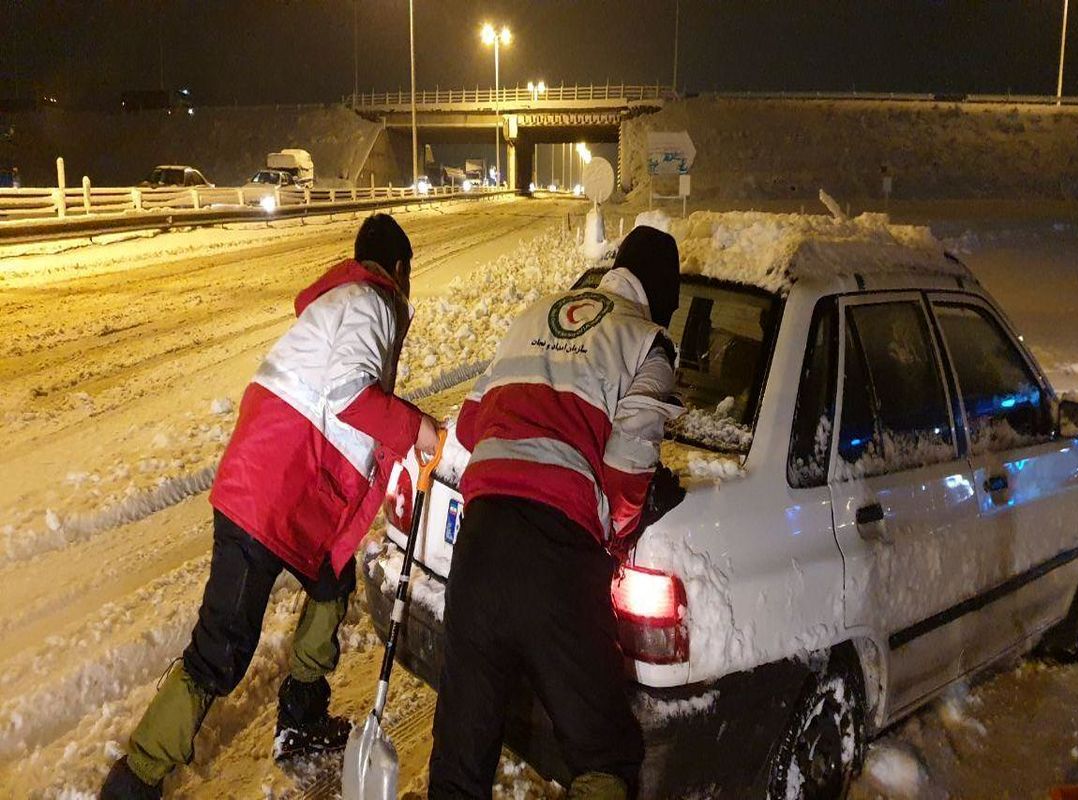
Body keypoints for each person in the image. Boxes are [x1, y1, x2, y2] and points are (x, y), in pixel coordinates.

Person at [101, 214, 440, 799]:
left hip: (291, 488)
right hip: (266, 495)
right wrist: (418, 428)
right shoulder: (372, 303)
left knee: (332, 584)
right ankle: (138, 776)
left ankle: (302, 718)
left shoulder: (341, 303)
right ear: (400, 269)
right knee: (222, 647)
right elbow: (351, 395)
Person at [429, 225, 686, 799]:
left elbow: (470, 426)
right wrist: (624, 527)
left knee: (460, 764)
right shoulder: (648, 343)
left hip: (478, 547)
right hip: (558, 557)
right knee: (604, 756)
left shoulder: (535, 314)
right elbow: (626, 476)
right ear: (662, 296)